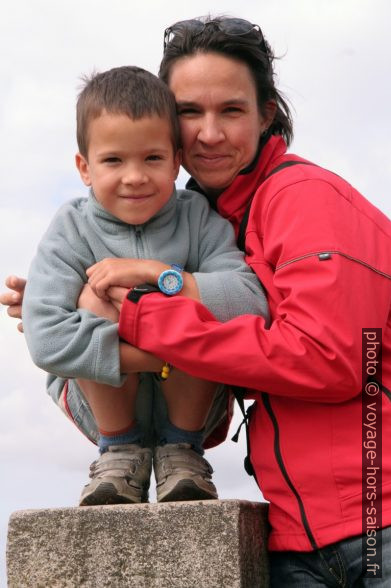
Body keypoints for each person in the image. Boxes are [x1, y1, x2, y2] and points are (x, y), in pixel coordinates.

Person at [2, 15, 391, 586]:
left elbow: (334, 359)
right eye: (190, 112)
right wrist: (68, 304)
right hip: (302, 532)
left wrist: (148, 299)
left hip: (372, 523)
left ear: (266, 115)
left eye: (231, 110)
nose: (209, 132)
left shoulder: (302, 198)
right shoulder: (228, 212)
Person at [19, 65, 269, 507]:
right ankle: (118, 452)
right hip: (101, 409)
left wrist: (158, 274)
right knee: (93, 296)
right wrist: (163, 358)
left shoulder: (197, 218)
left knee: (175, 299)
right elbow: (46, 339)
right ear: (85, 167)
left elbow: (251, 304)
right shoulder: (71, 228)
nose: (135, 177)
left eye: (152, 159)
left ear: (176, 160)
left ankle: (183, 450)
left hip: (197, 406)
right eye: (114, 160)